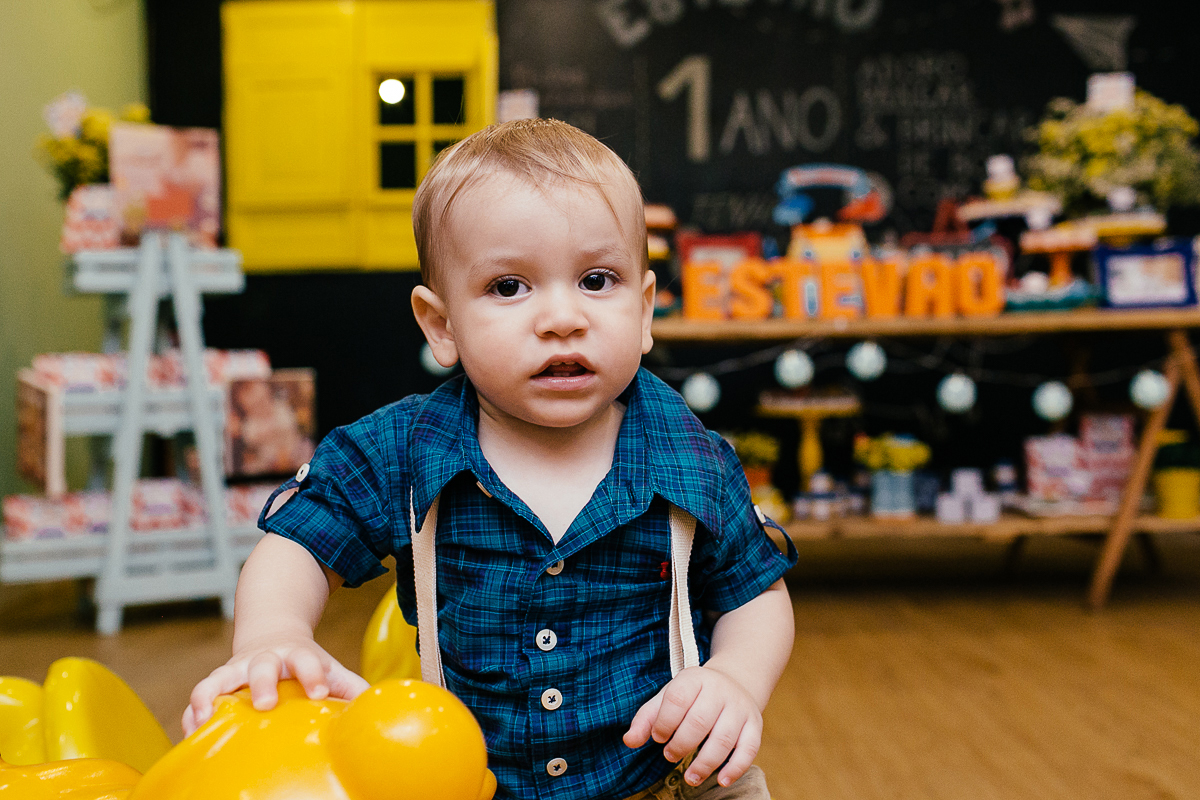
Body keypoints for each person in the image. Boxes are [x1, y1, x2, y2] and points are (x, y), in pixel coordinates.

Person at [183, 119, 797, 800]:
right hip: (469, 784)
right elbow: (298, 542)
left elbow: (756, 594)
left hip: (659, 783)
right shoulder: (403, 451)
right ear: (442, 326)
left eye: (598, 280)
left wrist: (737, 678)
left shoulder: (693, 460)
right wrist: (273, 632)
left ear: (646, 310)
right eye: (509, 287)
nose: (562, 318)